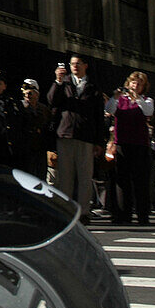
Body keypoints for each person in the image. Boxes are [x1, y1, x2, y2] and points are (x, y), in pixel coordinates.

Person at [47, 54, 105, 225]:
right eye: (72, 64)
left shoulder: (93, 87)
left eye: (78, 63)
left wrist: (99, 142)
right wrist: (57, 82)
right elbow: (52, 101)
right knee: (65, 177)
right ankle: (66, 211)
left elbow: (98, 116)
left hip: (86, 137)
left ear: (85, 65)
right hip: (65, 135)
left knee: (85, 176)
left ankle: (84, 211)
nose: (74, 66)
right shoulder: (64, 83)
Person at [106, 71, 154, 225]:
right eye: (134, 83)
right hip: (123, 144)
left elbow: (148, 111)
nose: (136, 86)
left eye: (139, 84)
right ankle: (123, 215)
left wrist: (137, 99)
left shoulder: (146, 100)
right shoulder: (120, 100)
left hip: (140, 144)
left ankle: (143, 215)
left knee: (141, 181)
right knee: (122, 181)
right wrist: (116, 96)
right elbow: (109, 109)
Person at [18, 78, 52, 178]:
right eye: (25, 93)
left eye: (30, 93)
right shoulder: (19, 107)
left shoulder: (44, 109)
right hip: (25, 149)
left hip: (40, 149)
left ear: (37, 94)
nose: (27, 96)